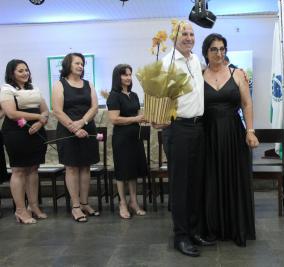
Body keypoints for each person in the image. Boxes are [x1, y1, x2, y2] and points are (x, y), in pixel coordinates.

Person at [159, 21, 215, 257]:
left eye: (192, 34)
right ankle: (180, 237)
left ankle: (194, 231)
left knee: (195, 183)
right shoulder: (167, 62)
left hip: (197, 128)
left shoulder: (194, 60)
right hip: (178, 127)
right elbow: (161, 95)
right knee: (180, 186)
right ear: (175, 37)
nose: (189, 37)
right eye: (184, 34)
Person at [202, 33, 259, 246]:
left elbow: (247, 104)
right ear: (206, 52)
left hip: (234, 132)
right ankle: (212, 228)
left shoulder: (237, 74)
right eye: (214, 49)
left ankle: (237, 229)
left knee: (234, 178)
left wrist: (250, 130)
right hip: (207, 134)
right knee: (211, 180)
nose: (219, 53)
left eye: (222, 48)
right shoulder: (198, 75)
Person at [52, 52, 100, 223]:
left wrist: (83, 122)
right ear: (68, 65)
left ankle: (85, 203)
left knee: (86, 167)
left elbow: (94, 107)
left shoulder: (89, 84)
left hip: (86, 128)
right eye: (77, 63)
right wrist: (74, 128)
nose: (81, 66)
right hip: (67, 131)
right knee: (72, 168)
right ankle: (76, 207)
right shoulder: (60, 84)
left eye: (82, 64)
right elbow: (57, 110)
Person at [0, 59, 49, 224]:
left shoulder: (34, 87)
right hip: (16, 133)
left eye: (26, 70)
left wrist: (40, 122)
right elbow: (12, 113)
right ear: (12, 73)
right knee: (19, 170)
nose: (25, 73)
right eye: (20, 71)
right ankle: (20, 210)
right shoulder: (6, 89)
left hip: (36, 132)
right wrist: (37, 117)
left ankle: (33, 206)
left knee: (33, 170)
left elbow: (45, 111)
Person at [106, 64, 148, 219]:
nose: (128, 77)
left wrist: (144, 117)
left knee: (133, 172)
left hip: (134, 137)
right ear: (118, 77)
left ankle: (134, 202)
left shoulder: (134, 95)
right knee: (123, 172)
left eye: (130, 74)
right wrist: (135, 118)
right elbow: (114, 119)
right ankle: (122, 203)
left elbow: (137, 114)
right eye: (125, 75)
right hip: (121, 138)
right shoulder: (114, 96)